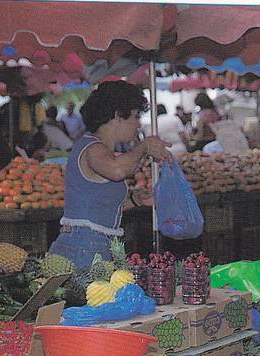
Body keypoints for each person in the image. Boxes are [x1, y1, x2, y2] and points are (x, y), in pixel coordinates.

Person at [47, 81, 171, 270]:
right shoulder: (93, 148)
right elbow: (117, 171)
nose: (138, 124)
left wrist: (137, 201)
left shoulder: (100, 150)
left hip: (96, 246)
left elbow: (99, 204)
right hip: (83, 248)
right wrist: (144, 146)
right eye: (136, 116)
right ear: (117, 116)